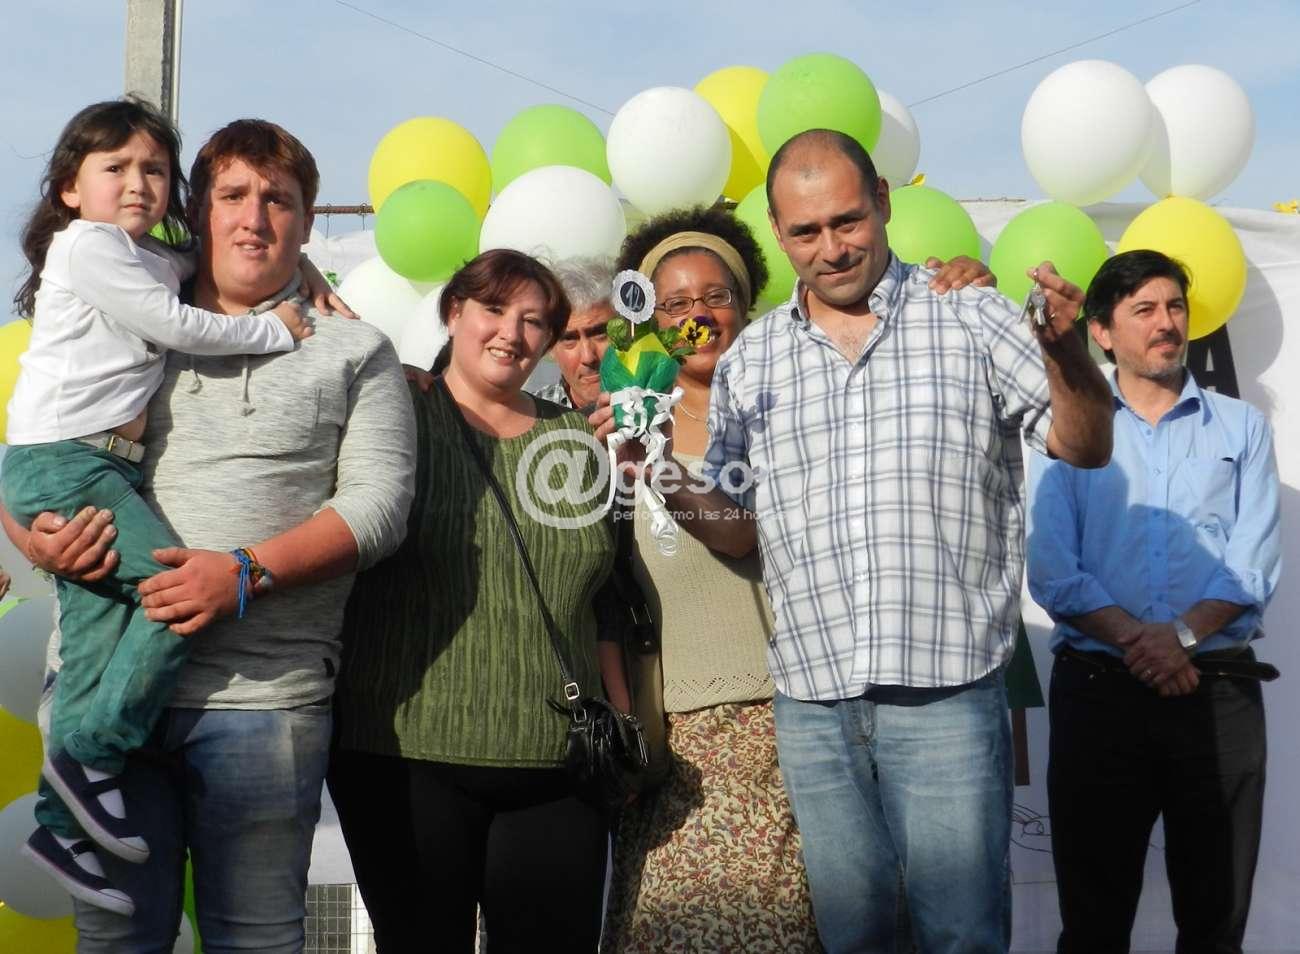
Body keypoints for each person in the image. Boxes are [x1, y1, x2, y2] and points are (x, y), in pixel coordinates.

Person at [593, 128, 1113, 953]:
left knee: (959, 938)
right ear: (778, 231)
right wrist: (653, 465)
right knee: (852, 940)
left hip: (946, 698)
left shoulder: (970, 314)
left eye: (846, 221)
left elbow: (1084, 445)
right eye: (806, 231)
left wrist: (1065, 354)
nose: (831, 248)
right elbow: (736, 532)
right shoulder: (753, 358)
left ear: (883, 201)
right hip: (813, 710)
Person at [9, 118, 415, 951]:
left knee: (256, 941)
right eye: (232, 195)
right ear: (196, 213)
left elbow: (379, 508)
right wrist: (30, 540)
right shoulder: (130, 316)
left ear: (307, 222)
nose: (254, 218)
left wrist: (244, 571)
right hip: (95, 690)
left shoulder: (355, 349)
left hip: (261, 704)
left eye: (279, 201)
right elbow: (32, 443)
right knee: (118, 940)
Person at [329, 248, 623, 954]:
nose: (512, 334)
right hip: (405, 761)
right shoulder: (395, 417)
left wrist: (626, 722)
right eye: (494, 309)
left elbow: (609, 600)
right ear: (454, 312)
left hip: (558, 767)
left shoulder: (584, 441)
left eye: (535, 321)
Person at [1026, 249, 1280, 954]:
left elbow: (1252, 564)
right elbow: (1055, 570)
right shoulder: (1063, 431)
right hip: (1100, 696)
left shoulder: (1241, 427)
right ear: (1101, 332)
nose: (1166, 323)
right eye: (1143, 310)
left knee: (1216, 924)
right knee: (1093, 925)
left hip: (1216, 692)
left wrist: (1181, 639)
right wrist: (1146, 644)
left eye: (1174, 307)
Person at [533, 256, 616, 410]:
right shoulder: (532, 416)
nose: (588, 357)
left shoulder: (659, 406)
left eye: (599, 333)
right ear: (549, 347)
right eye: (569, 339)